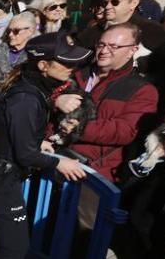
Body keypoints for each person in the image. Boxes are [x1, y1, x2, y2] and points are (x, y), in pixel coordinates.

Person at [0, 33, 90, 259]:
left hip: (0, 174)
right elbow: (25, 155)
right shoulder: (27, 98)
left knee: (2, 238)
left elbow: (20, 140)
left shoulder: (31, 92)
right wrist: (59, 161)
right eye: (65, 62)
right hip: (2, 179)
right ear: (43, 66)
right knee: (15, 245)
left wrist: (37, 143)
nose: (71, 68)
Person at [59, 23, 159, 181]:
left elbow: (126, 130)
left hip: (92, 171)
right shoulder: (74, 73)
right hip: (53, 158)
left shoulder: (143, 90)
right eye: (101, 44)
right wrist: (56, 100)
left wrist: (80, 128)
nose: (104, 51)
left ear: (132, 50)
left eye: (113, 46)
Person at [78, 0, 165, 51]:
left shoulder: (151, 30)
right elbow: (77, 50)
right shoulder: (96, 29)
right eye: (106, 3)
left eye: (115, 2)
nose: (108, 7)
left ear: (134, 3)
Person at [0, 11, 39, 89]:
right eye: (9, 31)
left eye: (16, 31)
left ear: (30, 31)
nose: (10, 34)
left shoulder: (36, 55)